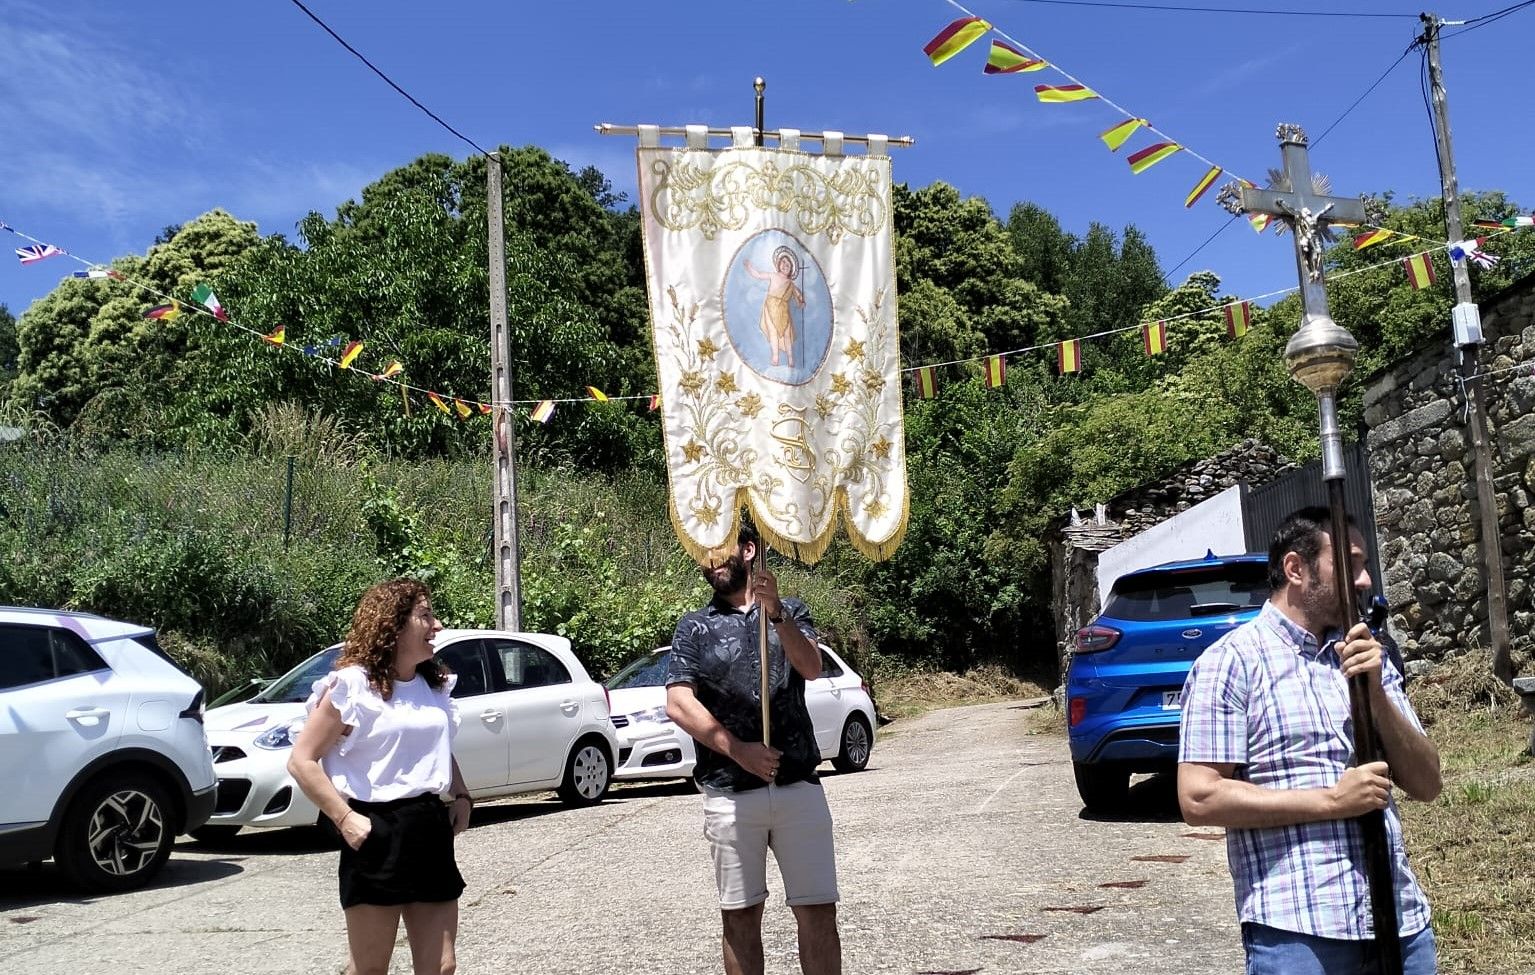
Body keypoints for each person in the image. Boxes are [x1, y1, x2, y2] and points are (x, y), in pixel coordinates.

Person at [1176, 507, 1443, 975]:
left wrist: (1376, 692)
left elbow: (1427, 783)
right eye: (1350, 565)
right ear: (1296, 569)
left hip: (1400, 922)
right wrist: (1332, 801)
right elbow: (1199, 796)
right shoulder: (1231, 663)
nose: (1364, 581)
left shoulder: (1367, 655)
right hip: (1298, 932)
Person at [665, 521, 843, 975]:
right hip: (729, 793)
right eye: (704, 555)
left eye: (719, 551)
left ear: (748, 550)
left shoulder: (792, 611)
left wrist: (778, 614)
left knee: (818, 911)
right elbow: (678, 702)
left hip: (798, 786)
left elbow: (811, 668)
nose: (711, 563)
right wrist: (738, 749)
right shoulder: (694, 627)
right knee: (740, 917)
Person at [288, 579, 472, 975]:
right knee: (370, 969)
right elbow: (302, 760)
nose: (437, 625)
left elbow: (438, 747)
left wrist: (461, 795)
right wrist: (345, 818)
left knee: (441, 966)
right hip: (375, 829)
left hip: (429, 826)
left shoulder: (432, 684)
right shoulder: (353, 686)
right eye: (425, 615)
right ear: (393, 625)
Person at [744, 246, 805, 368]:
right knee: (773, 333)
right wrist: (749, 267)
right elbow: (759, 275)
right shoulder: (773, 275)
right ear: (778, 264)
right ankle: (775, 357)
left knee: (787, 335)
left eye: (788, 265)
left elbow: (799, 297)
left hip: (783, 310)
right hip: (770, 306)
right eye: (783, 263)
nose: (784, 266)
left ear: (791, 270)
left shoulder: (790, 284)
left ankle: (790, 358)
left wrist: (801, 301)